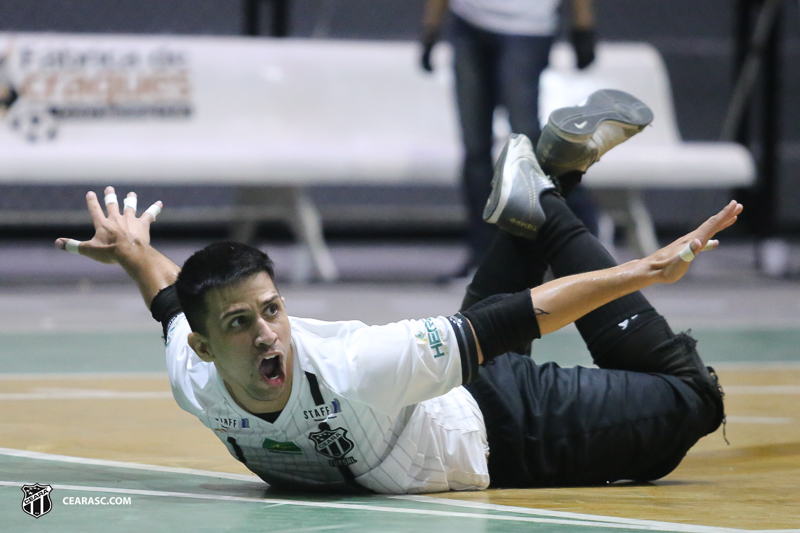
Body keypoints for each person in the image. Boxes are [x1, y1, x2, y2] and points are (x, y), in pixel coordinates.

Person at [56, 90, 741, 493]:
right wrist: (134, 251)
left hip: (505, 427)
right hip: (443, 392)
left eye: (272, 309)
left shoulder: (353, 367)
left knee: (695, 398)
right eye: (240, 323)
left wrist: (647, 269)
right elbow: (172, 301)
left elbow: (517, 318)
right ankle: (550, 172)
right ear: (204, 348)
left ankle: (549, 203)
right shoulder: (193, 375)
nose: (267, 333)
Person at [420, 0, 598, 274]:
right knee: (474, 147)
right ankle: (484, 256)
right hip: (469, 20)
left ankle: (583, 222)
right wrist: (431, 26)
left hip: (527, 25)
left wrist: (582, 24)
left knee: (527, 138)